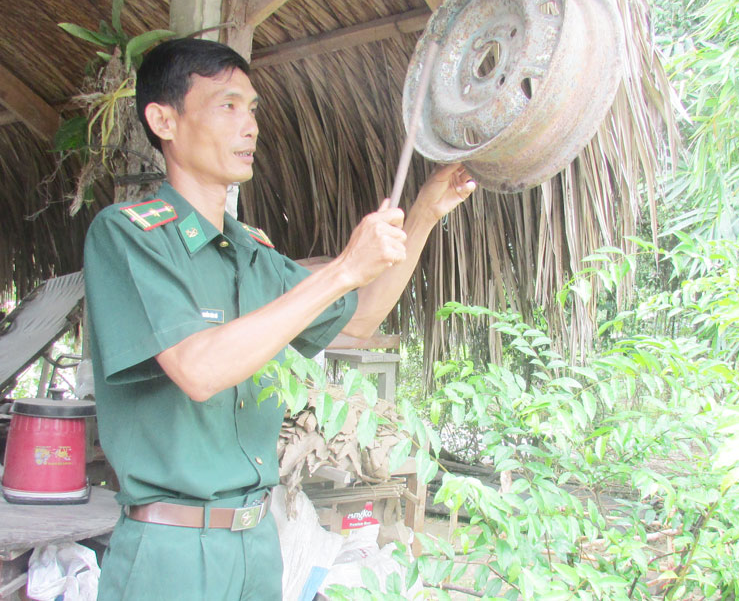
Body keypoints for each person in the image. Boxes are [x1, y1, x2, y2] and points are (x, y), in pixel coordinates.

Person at [82, 37, 476, 600]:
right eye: (228, 105)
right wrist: (341, 269)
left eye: (253, 108)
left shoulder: (254, 254)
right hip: (169, 554)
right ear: (163, 120)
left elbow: (358, 318)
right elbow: (198, 369)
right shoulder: (130, 235)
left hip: (257, 545)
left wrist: (424, 212)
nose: (250, 125)